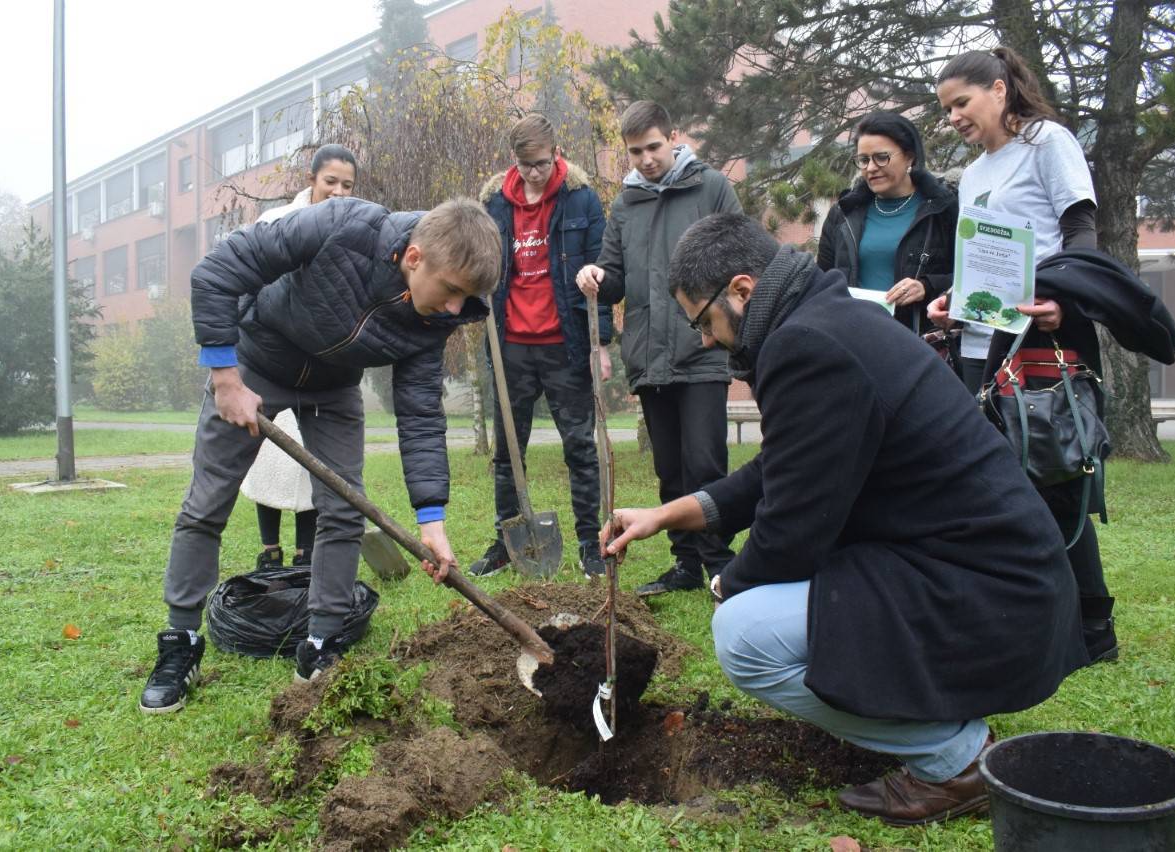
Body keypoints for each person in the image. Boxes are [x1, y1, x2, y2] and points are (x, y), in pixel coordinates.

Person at [603, 212, 1087, 825]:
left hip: (986, 596)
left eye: (702, 320)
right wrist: (665, 515)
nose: (703, 340)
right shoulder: (827, 318)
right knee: (770, 610)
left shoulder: (805, 345)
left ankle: (955, 759)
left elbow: (795, 527)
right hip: (990, 578)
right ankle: (925, 725)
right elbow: (781, 471)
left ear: (743, 291)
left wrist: (734, 582)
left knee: (744, 636)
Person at [139, 196, 502, 714]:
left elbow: (421, 415)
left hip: (333, 389)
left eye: (465, 298)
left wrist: (432, 519)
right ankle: (180, 641)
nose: (453, 309)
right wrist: (225, 377)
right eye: (450, 291)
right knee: (207, 503)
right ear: (415, 256)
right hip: (256, 362)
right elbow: (217, 272)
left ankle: (321, 642)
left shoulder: (438, 318)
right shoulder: (340, 226)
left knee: (342, 509)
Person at [929, 47, 1116, 663]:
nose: (953, 117)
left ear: (1000, 89)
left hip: (1039, 342)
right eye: (945, 108)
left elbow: (1081, 230)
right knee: (995, 488)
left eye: (962, 102)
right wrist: (951, 300)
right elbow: (986, 257)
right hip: (980, 347)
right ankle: (1030, 615)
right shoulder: (977, 173)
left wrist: (1066, 299)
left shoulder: (1047, 142)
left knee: (1055, 478)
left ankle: (1093, 628)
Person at [576, 100, 741, 596]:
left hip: (704, 347)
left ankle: (718, 562)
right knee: (669, 467)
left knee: (706, 463)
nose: (646, 159)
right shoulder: (626, 204)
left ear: (674, 136)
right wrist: (596, 278)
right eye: (634, 152)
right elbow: (616, 276)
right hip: (649, 354)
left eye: (653, 147)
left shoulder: (711, 187)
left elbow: (742, 253)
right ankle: (685, 564)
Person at [469, 114, 612, 579]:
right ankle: (504, 540)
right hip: (510, 344)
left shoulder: (580, 199)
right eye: (528, 165)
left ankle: (591, 543)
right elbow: (480, 266)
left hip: (565, 344)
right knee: (509, 450)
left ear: (557, 154)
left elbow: (600, 273)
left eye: (544, 163)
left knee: (579, 448)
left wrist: (600, 343)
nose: (536, 173)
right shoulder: (494, 204)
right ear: (514, 160)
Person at [239, 144, 359, 570]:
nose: (339, 192)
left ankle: (306, 554)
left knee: (310, 471)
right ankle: (270, 550)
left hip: (322, 372)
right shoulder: (276, 223)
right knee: (269, 462)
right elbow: (247, 288)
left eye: (347, 185)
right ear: (311, 180)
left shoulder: (355, 233)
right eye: (330, 182)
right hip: (271, 366)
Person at [816, 111, 957, 332]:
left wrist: (926, 286)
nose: (871, 168)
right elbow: (822, 282)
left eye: (882, 157)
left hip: (919, 342)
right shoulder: (843, 213)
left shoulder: (943, 208)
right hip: (855, 339)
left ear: (909, 157)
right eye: (863, 160)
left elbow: (970, 278)